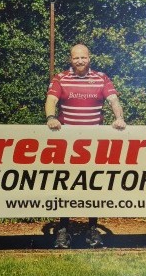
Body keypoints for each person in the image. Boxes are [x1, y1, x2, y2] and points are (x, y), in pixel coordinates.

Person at [45, 44, 126, 248]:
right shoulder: (61, 78)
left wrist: (120, 118)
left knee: (93, 186)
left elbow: (114, 100)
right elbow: (51, 100)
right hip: (68, 144)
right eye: (75, 58)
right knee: (65, 185)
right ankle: (63, 231)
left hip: (94, 145)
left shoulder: (101, 78)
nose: (79, 61)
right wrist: (51, 117)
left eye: (83, 57)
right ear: (70, 59)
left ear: (90, 58)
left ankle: (92, 231)